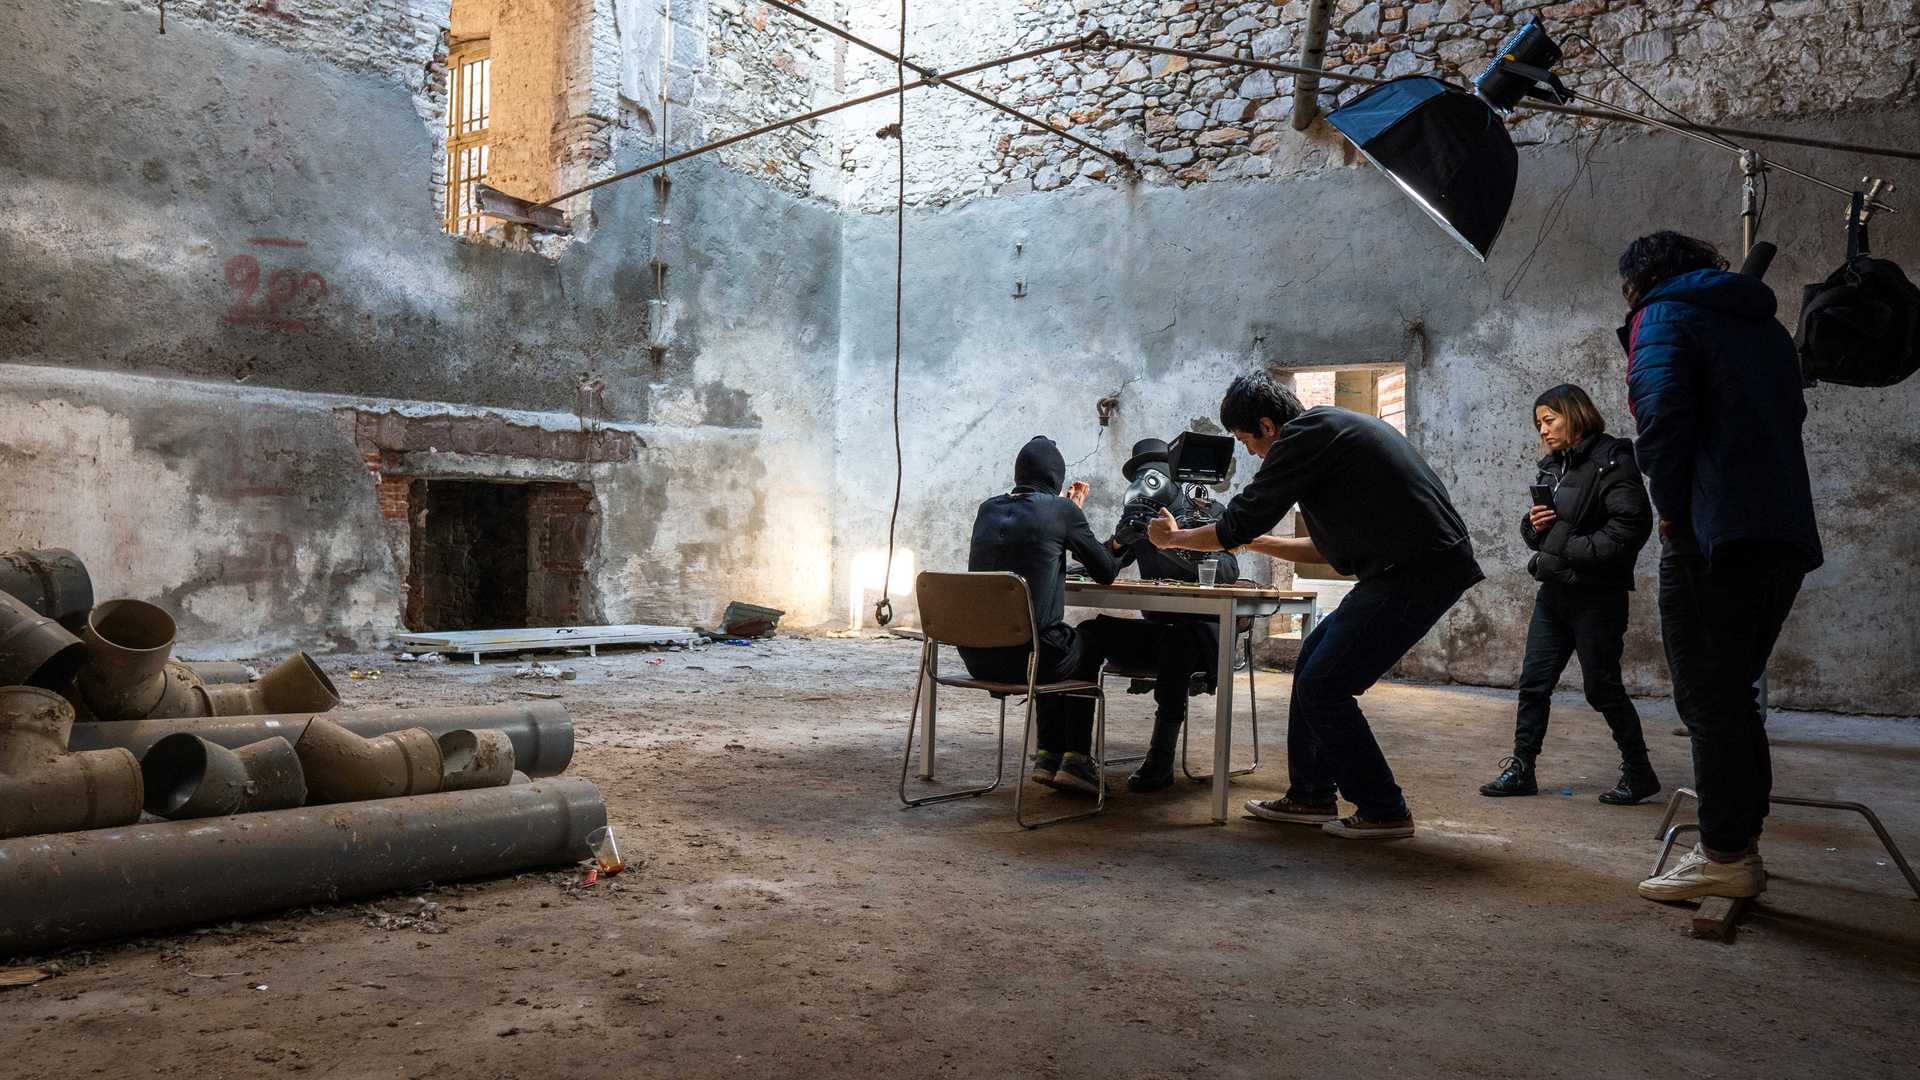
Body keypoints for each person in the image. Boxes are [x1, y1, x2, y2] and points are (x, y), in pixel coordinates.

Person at [1149, 372, 1484, 839]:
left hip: (1419, 570)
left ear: (1267, 426)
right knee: (1312, 665)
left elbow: (1237, 522)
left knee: (1325, 684)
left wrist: (1175, 540)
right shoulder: (1331, 435)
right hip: (1410, 566)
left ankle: (1383, 808)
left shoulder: (1305, 436)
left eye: (1247, 440)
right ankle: (1309, 795)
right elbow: (1326, 550)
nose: (1250, 452)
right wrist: (1258, 543)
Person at [1618, 232, 1823, 902]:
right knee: (1732, 695)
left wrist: (1672, 511)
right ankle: (1739, 842)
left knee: (1709, 697)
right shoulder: (1760, 323)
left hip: (1715, 532)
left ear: (1640, 281)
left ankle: (1726, 854)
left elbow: (1663, 418)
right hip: (1781, 529)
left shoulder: (1664, 316)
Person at [1481, 384, 1657, 804]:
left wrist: (1564, 546)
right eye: (1538, 423)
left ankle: (1639, 772)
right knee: (1534, 685)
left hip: (1597, 596)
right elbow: (1542, 535)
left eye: (1549, 420)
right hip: (1555, 593)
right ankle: (1522, 770)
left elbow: (1630, 529)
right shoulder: (1554, 468)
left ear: (1574, 414)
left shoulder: (1612, 461)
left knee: (1602, 688)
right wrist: (1535, 525)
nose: (1542, 430)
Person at [1077, 438, 1241, 795]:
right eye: (1140, 474)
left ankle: (1161, 755)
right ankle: (1071, 755)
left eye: (1154, 473)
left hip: (1205, 640)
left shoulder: (1207, 510)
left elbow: (1228, 571)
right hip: (1158, 631)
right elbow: (1102, 569)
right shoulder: (1137, 514)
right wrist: (1119, 542)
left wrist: (1176, 539)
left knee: (1178, 638)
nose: (1146, 480)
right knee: (1089, 632)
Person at [960, 435, 1122, 796]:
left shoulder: (987, 509)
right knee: (1085, 639)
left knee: (1049, 637)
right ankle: (1076, 759)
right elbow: (1106, 571)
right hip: (1029, 660)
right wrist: (1110, 537)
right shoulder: (1062, 511)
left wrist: (1066, 516)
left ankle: (1049, 755)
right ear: (1057, 480)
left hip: (977, 658)